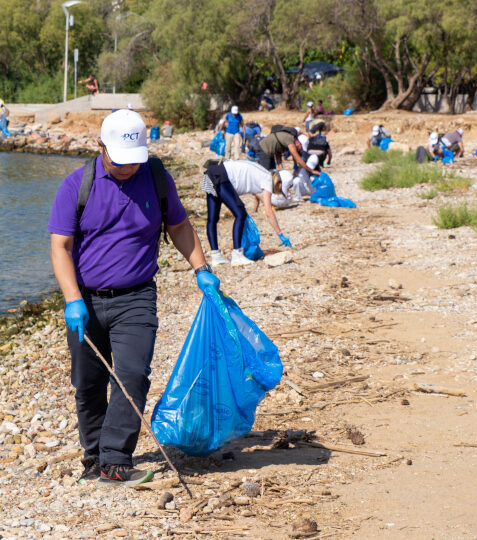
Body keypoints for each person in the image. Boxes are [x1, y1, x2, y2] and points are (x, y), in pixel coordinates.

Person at [48, 109, 220, 486]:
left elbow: (178, 225)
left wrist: (202, 269)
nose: (128, 169)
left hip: (137, 298)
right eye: (120, 162)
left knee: (132, 375)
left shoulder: (155, 178)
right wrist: (72, 299)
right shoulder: (77, 185)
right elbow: (60, 247)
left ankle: (114, 459)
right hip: (87, 300)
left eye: (133, 162)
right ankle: (93, 456)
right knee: (88, 382)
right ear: (100, 147)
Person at [200, 160, 293, 265]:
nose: (280, 192)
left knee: (213, 218)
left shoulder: (262, 174)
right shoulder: (267, 180)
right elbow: (268, 212)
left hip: (211, 174)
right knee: (240, 214)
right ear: (279, 183)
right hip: (222, 177)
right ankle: (237, 254)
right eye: (283, 189)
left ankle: (216, 256)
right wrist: (280, 234)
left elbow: (260, 197)